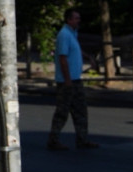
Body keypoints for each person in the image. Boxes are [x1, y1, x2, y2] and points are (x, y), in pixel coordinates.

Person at [47, 8, 98, 150]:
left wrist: (88, 57)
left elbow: (75, 50)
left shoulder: (72, 33)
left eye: (78, 18)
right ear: (69, 20)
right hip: (67, 81)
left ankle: (82, 139)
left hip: (76, 79)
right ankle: (53, 139)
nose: (78, 20)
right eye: (76, 18)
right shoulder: (64, 35)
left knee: (80, 111)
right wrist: (67, 79)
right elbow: (62, 58)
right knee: (62, 112)